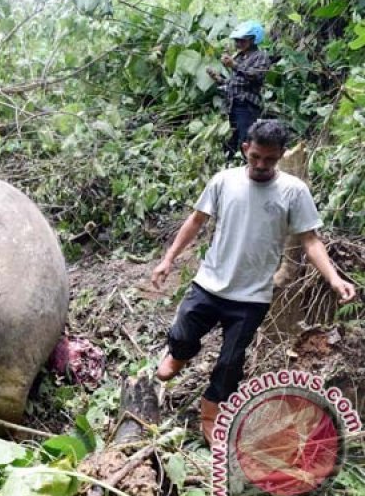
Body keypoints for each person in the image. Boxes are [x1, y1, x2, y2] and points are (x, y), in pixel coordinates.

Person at [150, 120, 357, 444]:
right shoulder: (224, 181)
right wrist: (168, 260)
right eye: (256, 157)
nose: (261, 165)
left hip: (251, 296)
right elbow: (196, 220)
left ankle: (211, 411)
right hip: (210, 282)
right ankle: (179, 353)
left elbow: (310, 240)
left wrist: (334, 279)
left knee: (231, 361)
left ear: (280, 156)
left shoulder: (293, 191)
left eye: (270, 160)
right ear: (246, 148)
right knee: (182, 332)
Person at [206, 21, 271, 160]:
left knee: (245, 140)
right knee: (231, 142)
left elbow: (256, 76)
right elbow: (234, 84)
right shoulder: (240, 57)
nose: (238, 43)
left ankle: (248, 167)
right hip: (232, 106)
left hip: (247, 106)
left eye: (242, 40)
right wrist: (218, 78)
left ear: (253, 40)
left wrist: (234, 65)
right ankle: (230, 166)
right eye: (237, 40)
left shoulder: (260, 56)